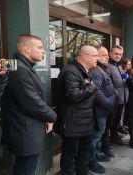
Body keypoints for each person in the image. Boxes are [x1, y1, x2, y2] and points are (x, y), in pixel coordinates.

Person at [1, 34, 57, 175]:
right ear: (26, 49)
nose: (44, 51)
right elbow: (33, 103)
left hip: (27, 129)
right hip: (24, 131)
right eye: (39, 47)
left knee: (25, 168)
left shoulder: (24, 66)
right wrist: (53, 116)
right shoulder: (19, 69)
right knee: (25, 170)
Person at [54, 45, 98, 175]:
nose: (98, 59)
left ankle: (82, 171)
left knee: (84, 151)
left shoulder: (83, 70)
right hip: (73, 122)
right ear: (84, 57)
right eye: (95, 56)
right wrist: (91, 87)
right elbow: (73, 96)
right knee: (70, 153)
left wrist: (89, 86)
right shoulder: (71, 71)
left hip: (84, 121)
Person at [88, 45, 116, 174]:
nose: (107, 57)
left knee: (99, 135)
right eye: (103, 54)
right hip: (99, 111)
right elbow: (95, 91)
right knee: (96, 136)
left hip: (104, 110)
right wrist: (108, 103)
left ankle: (97, 154)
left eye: (106, 54)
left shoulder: (101, 69)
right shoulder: (95, 71)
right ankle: (91, 160)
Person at [106, 45, 127, 147]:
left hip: (121, 99)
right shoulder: (107, 66)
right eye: (116, 53)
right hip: (113, 99)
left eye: (120, 54)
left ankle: (114, 135)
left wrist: (125, 77)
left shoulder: (118, 66)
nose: (118, 56)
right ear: (110, 54)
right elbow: (108, 84)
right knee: (111, 120)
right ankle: (108, 139)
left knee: (117, 120)